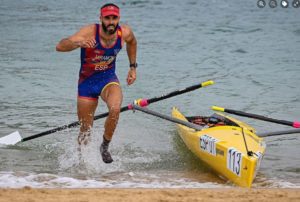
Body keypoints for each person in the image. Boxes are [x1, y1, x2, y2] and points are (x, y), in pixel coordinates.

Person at [56, 3, 137, 163]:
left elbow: (132, 42)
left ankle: (104, 146)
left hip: (108, 79)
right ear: (101, 19)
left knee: (115, 108)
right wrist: (78, 43)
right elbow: (60, 46)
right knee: (85, 130)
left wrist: (133, 67)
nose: (111, 22)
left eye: (114, 18)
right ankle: (82, 164)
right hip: (87, 83)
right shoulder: (89, 32)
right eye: (107, 18)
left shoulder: (124, 32)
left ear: (118, 19)